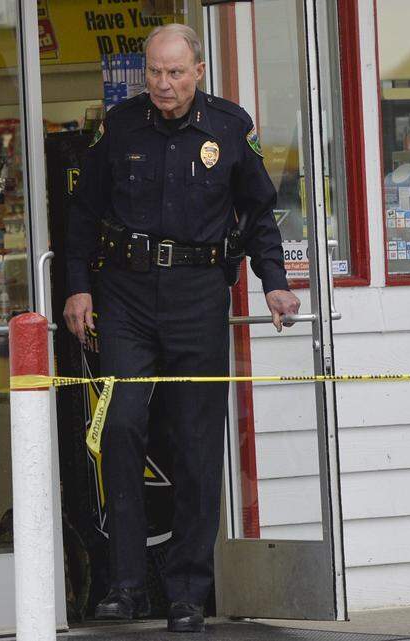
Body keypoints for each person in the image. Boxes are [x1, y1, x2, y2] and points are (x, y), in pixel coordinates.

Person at [62, 23, 301, 633]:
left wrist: (273, 282)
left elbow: (258, 213)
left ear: (198, 71)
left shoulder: (229, 127)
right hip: (126, 296)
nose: (163, 84)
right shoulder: (121, 127)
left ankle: (188, 592)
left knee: (196, 441)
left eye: (174, 72)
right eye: (154, 72)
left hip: (197, 295)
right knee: (120, 426)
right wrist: (77, 287)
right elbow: (83, 211)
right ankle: (124, 585)